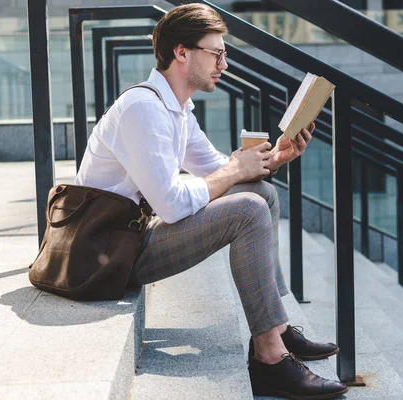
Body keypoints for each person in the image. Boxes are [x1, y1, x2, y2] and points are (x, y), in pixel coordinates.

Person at [74, 4, 348, 399]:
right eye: (216, 53)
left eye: (225, 54)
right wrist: (234, 171)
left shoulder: (178, 109)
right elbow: (170, 203)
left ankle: (278, 329)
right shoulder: (144, 109)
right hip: (107, 254)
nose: (224, 63)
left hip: (130, 237)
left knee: (261, 193)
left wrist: (275, 159)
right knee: (249, 209)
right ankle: (270, 359)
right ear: (182, 52)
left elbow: (219, 169)